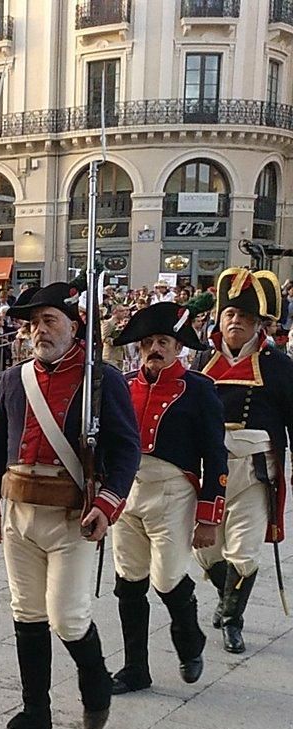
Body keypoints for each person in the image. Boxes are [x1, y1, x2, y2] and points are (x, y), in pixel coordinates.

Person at [0, 283, 140, 729]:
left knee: (68, 617)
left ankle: (95, 684)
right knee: (26, 612)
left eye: (50, 321)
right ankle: (35, 714)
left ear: (74, 325)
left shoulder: (102, 379)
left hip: (73, 513)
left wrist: (108, 504)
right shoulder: (15, 379)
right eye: (34, 324)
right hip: (19, 509)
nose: (40, 331)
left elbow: (127, 449)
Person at [107, 302, 226, 692]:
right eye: (147, 342)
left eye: (163, 341)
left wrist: (209, 516)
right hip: (127, 491)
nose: (154, 349)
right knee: (129, 580)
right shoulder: (122, 386)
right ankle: (135, 669)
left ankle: (190, 641)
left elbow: (216, 455)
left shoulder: (200, 391)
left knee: (168, 577)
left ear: (178, 348)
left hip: (175, 494)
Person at [196, 268, 293, 653]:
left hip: (255, 472)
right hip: (208, 469)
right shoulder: (202, 360)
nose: (235, 322)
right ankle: (226, 597)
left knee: (244, 549)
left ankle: (232, 619)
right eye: (230, 315)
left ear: (259, 324)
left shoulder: (279, 367)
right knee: (205, 550)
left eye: (244, 317)